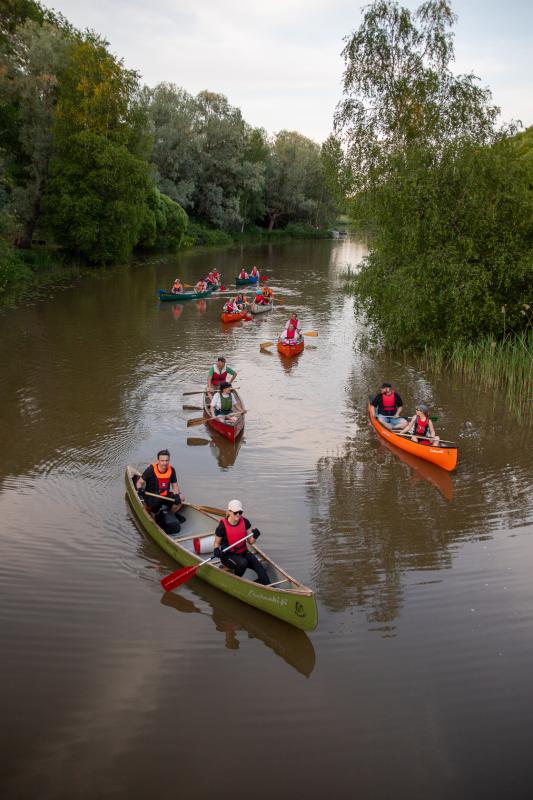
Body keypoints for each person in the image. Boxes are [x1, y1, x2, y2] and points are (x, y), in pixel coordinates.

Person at [213, 499, 270, 585]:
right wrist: (216, 550)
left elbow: (250, 542)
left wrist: (255, 536)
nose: (238, 515)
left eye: (240, 512)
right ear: (229, 512)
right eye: (236, 512)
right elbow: (216, 543)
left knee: (260, 568)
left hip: (243, 552)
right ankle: (234, 580)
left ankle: (267, 586)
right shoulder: (222, 527)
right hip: (228, 556)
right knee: (243, 563)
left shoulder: (245, 522)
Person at [135, 449, 186, 533]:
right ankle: (154, 517)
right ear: (158, 461)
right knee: (155, 504)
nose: (164, 463)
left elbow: (175, 486)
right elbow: (139, 483)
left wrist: (177, 495)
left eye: (166, 460)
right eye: (162, 460)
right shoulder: (150, 470)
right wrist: (140, 489)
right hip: (151, 496)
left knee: (181, 498)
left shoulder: (171, 470)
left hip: (164, 495)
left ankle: (169, 514)